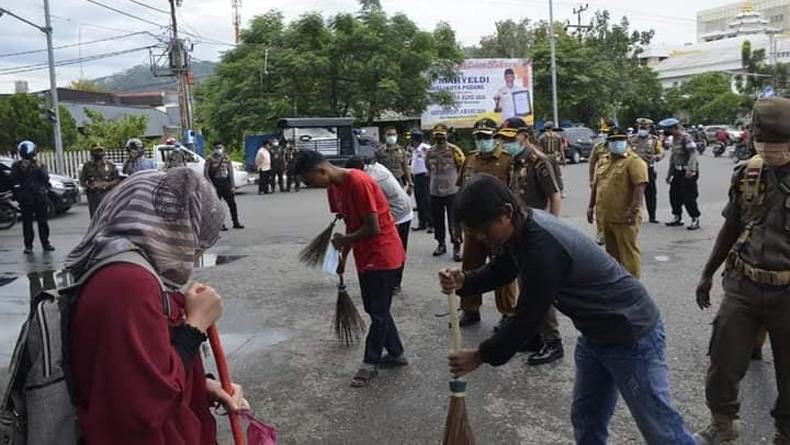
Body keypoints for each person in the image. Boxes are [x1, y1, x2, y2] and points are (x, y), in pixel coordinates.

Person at [439, 174, 696, 445]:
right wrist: (465, 281)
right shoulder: (521, 229)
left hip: (631, 336)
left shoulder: (542, 247)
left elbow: (527, 318)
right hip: (595, 336)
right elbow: (502, 268)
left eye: (483, 229)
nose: (480, 237)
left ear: (506, 212)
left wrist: (481, 355)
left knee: (662, 432)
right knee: (587, 419)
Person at [64, 168, 249, 444]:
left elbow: (131, 373)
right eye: (195, 238)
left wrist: (201, 385)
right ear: (173, 226)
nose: (195, 252)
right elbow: (144, 406)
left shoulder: (129, 272)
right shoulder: (128, 284)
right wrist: (196, 324)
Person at [694, 97, 790, 445]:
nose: (769, 148)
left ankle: (786, 431)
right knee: (722, 360)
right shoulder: (747, 172)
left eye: (778, 143)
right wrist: (707, 274)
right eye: (763, 140)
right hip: (743, 284)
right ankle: (723, 424)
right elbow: (730, 227)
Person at [294, 150, 407, 388]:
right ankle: (396, 353)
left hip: (383, 253)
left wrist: (344, 243)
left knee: (378, 311)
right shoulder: (333, 188)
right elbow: (350, 224)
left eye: (309, 180)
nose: (309, 185)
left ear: (321, 171)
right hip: (365, 254)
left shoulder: (359, 182)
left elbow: (373, 228)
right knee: (376, 308)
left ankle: (370, 363)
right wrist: (343, 257)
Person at [500, 117, 564, 365]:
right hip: (520, 232)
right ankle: (536, 336)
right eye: (503, 139)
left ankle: (553, 341)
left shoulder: (539, 161)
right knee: (526, 288)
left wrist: (553, 229)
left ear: (524, 136)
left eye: (510, 138)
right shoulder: (516, 161)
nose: (506, 143)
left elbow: (554, 196)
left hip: (538, 233)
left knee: (539, 289)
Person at [456, 118, 516, 328]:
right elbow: (460, 191)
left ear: (495, 138)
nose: (482, 141)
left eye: (486, 137)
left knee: (503, 270)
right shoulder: (470, 159)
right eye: (479, 137)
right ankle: (470, 309)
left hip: (497, 226)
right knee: (471, 266)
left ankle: (508, 313)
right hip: (472, 227)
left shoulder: (508, 160)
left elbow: (514, 196)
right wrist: (457, 223)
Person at [345, 156, 413, 293]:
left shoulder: (370, 179)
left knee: (395, 249)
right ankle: (390, 281)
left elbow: (373, 208)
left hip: (399, 212)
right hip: (400, 207)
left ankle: (394, 283)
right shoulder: (374, 168)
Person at [588, 129, 648, 278]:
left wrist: (633, 211)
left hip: (624, 217)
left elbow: (639, 186)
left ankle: (633, 286)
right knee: (612, 256)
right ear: (608, 143)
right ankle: (618, 284)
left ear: (626, 142)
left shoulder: (634, 161)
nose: (617, 144)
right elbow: (597, 185)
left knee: (628, 254)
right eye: (613, 141)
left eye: (620, 140)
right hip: (607, 217)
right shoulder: (604, 160)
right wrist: (590, 206)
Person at [426, 123, 465, 260]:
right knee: (438, 220)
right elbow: (428, 168)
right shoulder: (430, 151)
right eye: (437, 136)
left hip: (452, 190)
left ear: (446, 135)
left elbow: (463, 166)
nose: (439, 139)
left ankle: (457, 246)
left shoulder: (454, 150)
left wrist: (461, 185)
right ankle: (441, 244)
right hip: (435, 190)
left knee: (454, 221)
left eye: (441, 136)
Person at [11, 140, 54, 254]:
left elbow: (45, 178)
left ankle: (46, 243)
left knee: (43, 222)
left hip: (39, 196)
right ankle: (28, 245)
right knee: (27, 223)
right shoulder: (17, 166)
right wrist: (23, 169)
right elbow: (13, 180)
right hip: (26, 198)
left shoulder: (39, 164)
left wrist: (38, 168)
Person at [663, 118, 701, 230]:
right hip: (677, 171)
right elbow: (673, 158)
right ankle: (677, 217)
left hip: (688, 171)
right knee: (674, 195)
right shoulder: (673, 139)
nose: (668, 131)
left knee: (689, 196)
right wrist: (669, 174)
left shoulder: (686, 137)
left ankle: (695, 218)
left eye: (669, 129)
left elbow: (693, 154)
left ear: (675, 128)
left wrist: (691, 169)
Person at [630, 118, 664, 223]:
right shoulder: (631, 139)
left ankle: (652, 216)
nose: (643, 129)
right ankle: (633, 214)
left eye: (645, 127)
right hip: (634, 170)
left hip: (648, 169)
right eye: (641, 127)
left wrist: (656, 157)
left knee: (651, 194)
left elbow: (661, 153)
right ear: (638, 127)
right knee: (633, 194)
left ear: (649, 128)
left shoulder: (654, 140)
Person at [588, 119, 617, 245]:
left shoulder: (617, 145)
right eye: (603, 131)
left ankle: (615, 231)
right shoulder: (598, 146)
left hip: (616, 181)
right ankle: (601, 232)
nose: (605, 134)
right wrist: (590, 179)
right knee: (600, 208)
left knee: (615, 206)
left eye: (607, 132)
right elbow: (591, 162)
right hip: (600, 181)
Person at [204, 142, 244, 230]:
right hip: (215, 183)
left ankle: (236, 222)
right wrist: (211, 186)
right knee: (218, 205)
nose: (218, 149)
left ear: (223, 148)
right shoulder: (210, 159)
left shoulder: (226, 158)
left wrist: (233, 185)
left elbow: (230, 172)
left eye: (220, 147)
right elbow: (206, 174)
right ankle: (221, 223)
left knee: (232, 204)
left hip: (225, 183)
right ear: (214, 148)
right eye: (217, 147)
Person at [79, 143, 121, 218]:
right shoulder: (87, 166)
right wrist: (91, 185)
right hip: (93, 196)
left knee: (108, 216)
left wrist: (106, 184)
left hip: (107, 194)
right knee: (95, 218)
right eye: (96, 151)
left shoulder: (110, 165)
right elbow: (82, 181)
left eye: (100, 151)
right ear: (92, 152)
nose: (98, 153)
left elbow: (117, 180)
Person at [375, 127, 413, 192]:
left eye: (393, 134)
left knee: (399, 200)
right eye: (389, 135)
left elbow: (405, 167)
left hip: (398, 180)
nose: (391, 136)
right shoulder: (379, 151)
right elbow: (376, 168)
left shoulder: (401, 150)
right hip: (385, 181)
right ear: (385, 136)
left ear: (396, 136)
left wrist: (410, 183)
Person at [409, 129, 432, 232]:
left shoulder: (425, 148)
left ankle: (431, 223)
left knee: (427, 200)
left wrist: (430, 171)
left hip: (425, 177)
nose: (411, 142)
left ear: (416, 140)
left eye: (412, 139)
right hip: (417, 177)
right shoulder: (415, 150)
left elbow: (432, 160)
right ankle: (422, 222)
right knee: (419, 200)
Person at [538, 121, 565, 197]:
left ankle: (551, 192)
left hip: (546, 157)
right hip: (556, 157)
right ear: (552, 128)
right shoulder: (558, 136)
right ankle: (561, 191)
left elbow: (540, 149)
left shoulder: (541, 137)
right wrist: (563, 159)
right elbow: (560, 149)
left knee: (548, 175)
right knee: (558, 174)